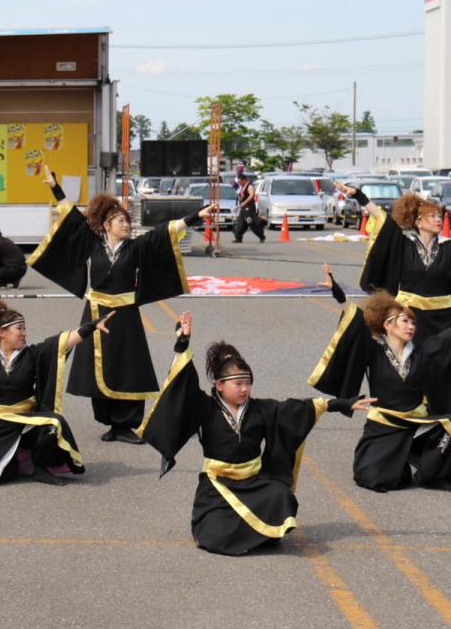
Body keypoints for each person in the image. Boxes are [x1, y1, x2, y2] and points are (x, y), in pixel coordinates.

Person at [138, 311, 370, 555]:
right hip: (217, 484)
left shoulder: (260, 409)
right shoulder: (204, 407)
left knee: (282, 496)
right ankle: (242, 532)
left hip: (252, 481)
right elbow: (184, 382)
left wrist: (340, 404)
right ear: (219, 385)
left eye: (247, 382)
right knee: (216, 535)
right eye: (238, 383)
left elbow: (295, 409)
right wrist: (183, 342)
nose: (244, 389)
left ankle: (258, 532)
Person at [31, 167, 215, 444]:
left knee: (129, 367)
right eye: (120, 221)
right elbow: (70, 215)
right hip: (95, 312)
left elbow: (165, 233)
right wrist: (55, 187)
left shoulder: (136, 248)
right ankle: (110, 423)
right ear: (106, 225)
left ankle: (127, 424)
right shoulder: (92, 243)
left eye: (127, 221)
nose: (126, 225)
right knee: (96, 369)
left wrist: (193, 218)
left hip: (126, 315)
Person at [0, 267, 115, 487]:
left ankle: (39, 467)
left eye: (25, 328)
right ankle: (17, 459)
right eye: (19, 328)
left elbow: (63, 342)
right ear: (2, 332)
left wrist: (92, 326)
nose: (24, 333)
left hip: (25, 420)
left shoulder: (32, 354)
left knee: (54, 423)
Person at [307, 266, 451, 492]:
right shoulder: (373, 351)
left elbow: (446, 340)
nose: (411, 326)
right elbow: (353, 319)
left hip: (417, 420)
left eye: (413, 323)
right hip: (384, 422)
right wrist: (337, 291)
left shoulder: (422, 352)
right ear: (388, 325)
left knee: (445, 439)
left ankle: (427, 466)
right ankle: (398, 461)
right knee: (373, 478)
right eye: (405, 321)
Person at [336, 182, 451, 345]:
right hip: (411, 316)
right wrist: (359, 195)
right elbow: (383, 219)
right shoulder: (404, 246)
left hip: (444, 318)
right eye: (432, 216)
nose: (438, 220)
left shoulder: (447, 248)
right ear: (418, 223)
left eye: (439, 216)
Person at [232, 173, 265, 244]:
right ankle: (238, 237)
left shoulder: (250, 185)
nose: (240, 183)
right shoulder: (242, 186)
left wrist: (244, 203)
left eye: (240, 182)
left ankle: (261, 236)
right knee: (240, 222)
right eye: (239, 182)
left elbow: (252, 195)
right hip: (243, 208)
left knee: (251, 223)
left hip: (249, 207)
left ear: (244, 180)